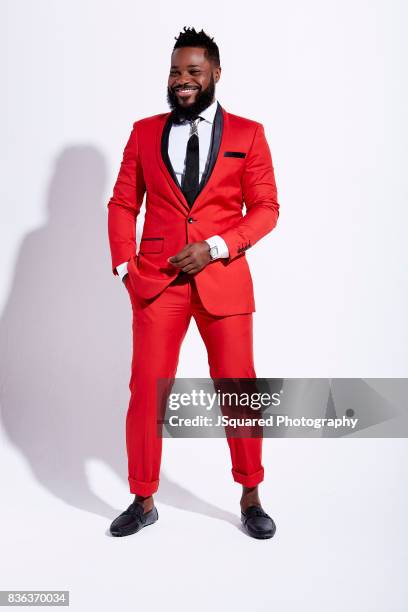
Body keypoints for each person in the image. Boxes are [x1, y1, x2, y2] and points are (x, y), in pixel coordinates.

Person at [107, 26, 280, 539]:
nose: (182, 80)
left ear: (215, 75)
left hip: (223, 280)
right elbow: (122, 204)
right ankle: (143, 498)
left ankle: (250, 494)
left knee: (240, 390)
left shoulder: (249, 134)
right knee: (145, 393)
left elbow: (267, 209)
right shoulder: (143, 131)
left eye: (194, 71)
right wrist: (124, 268)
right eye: (175, 71)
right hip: (157, 283)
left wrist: (216, 246)